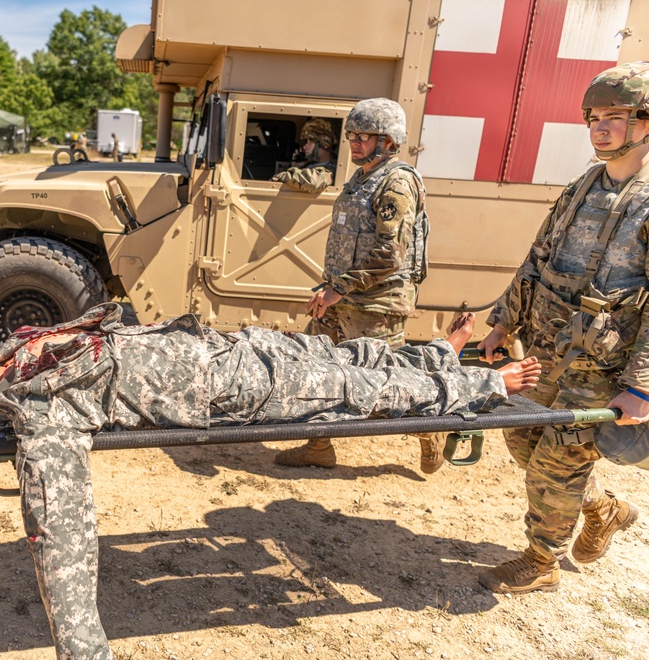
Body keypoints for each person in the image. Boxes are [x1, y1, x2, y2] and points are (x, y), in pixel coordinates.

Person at [0, 302, 541, 659]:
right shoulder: (35, 409)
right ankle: (479, 383)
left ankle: (438, 357)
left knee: (346, 356)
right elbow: (61, 532)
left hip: (227, 346)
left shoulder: (20, 350)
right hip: (227, 389)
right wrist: (83, 651)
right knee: (353, 387)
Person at [476, 62, 649, 594]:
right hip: (548, 345)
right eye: (594, 117)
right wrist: (502, 323)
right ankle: (605, 509)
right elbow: (538, 258)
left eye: (614, 117)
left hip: (604, 362)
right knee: (524, 441)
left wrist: (641, 383)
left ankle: (540, 561)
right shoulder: (584, 185)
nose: (600, 127)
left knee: (557, 459)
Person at [272, 98, 440, 473]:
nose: (355, 143)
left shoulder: (397, 182)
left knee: (385, 386)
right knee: (317, 367)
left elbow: (391, 253)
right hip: (343, 296)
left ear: (388, 140)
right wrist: (332, 288)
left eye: (365, 136)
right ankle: (319, 446)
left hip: (376, 305)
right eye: (352, 135)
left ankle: (432, 426)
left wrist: (338, 289)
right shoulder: (362, 178)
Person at [272, 117, 338, 191]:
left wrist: (280, 177)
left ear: (325, 143)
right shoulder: (311, 165)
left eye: (310, 141)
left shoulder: (332, 168)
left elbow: (313, 181)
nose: (305, 147)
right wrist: (296, 166)